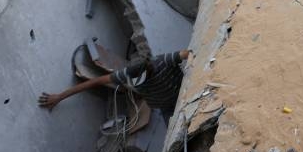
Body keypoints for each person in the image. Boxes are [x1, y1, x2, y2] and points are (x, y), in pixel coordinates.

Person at [38, 50, 190, 117]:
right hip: (166, 109)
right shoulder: (128, 74)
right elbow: (95, 82)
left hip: (184, 94)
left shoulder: (162, 61)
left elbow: (187, 53)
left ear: (149, 67)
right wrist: (59, 96)